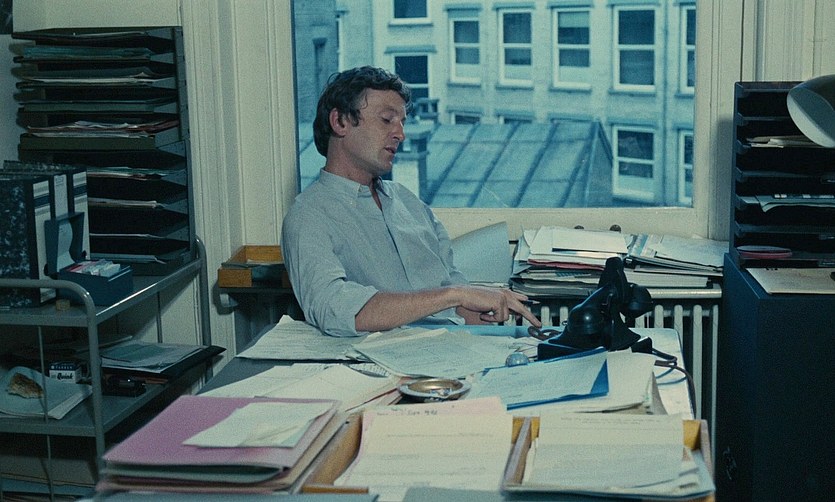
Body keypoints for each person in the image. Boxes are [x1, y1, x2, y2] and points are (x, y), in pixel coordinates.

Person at [281, 66, 541, 336]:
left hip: (450, 347)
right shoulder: (308, 217)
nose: (400, 134)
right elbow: (333, 310)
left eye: (402, 122)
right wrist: (455, 295)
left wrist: (486, 307)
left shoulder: (409, 203)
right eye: (386, 120)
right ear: (340, 122)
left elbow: (456, 303)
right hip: (377, 360)